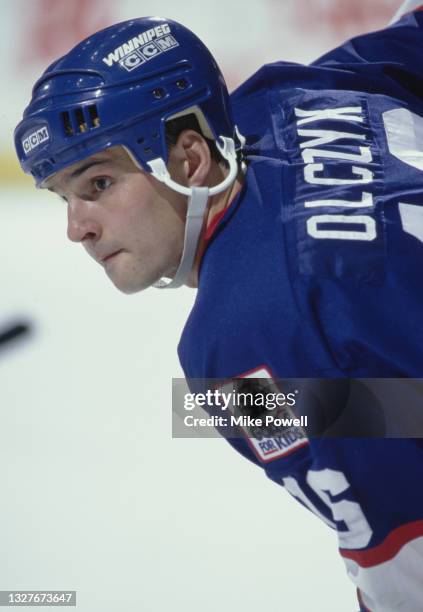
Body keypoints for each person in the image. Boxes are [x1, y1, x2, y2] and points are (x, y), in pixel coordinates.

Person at [14, 2, 423, 609]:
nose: (78, 228)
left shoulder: (236, 355)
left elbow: (405, 561)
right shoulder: (292, 97)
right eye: (64, 197)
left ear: (189, 158)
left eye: (98, 185)